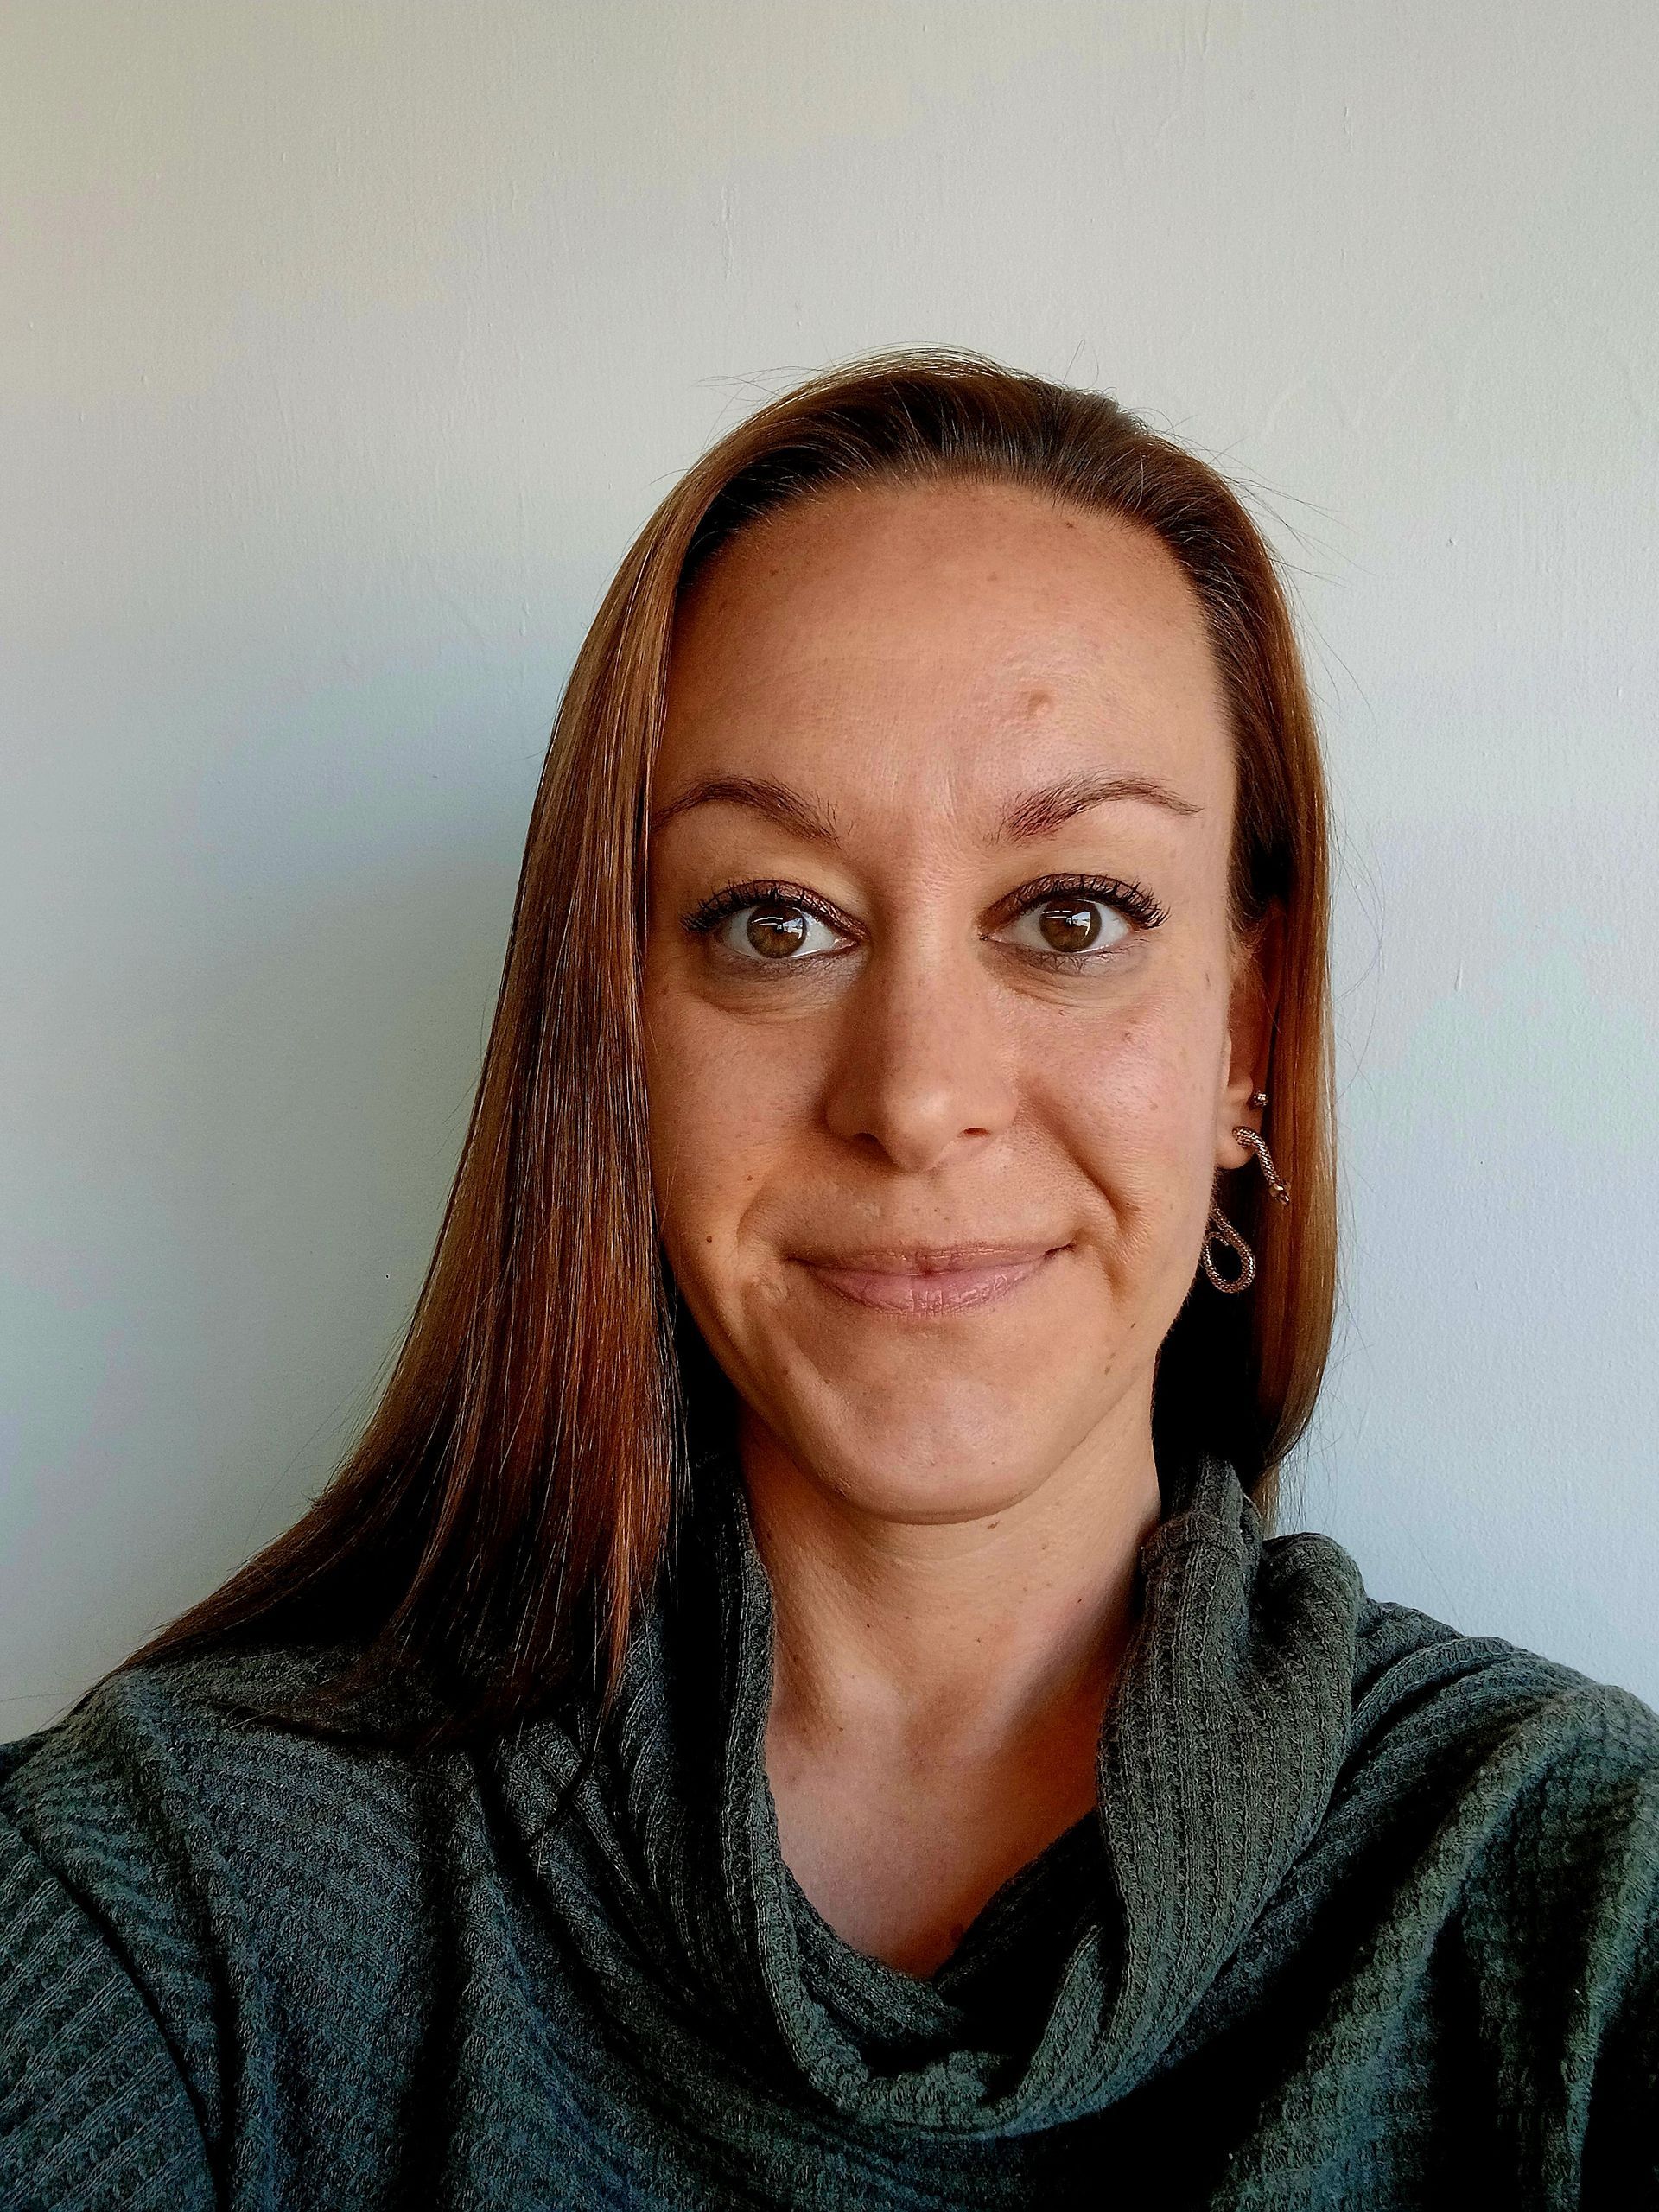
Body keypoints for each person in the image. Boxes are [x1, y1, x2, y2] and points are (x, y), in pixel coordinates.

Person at [2, 352, 1653, 2209]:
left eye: (1074, 915)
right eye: (774, 920)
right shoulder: (174, 1904)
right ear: (618, 1031)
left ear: (1246, 1038)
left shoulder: (1583, 1895)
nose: (917, 1097)